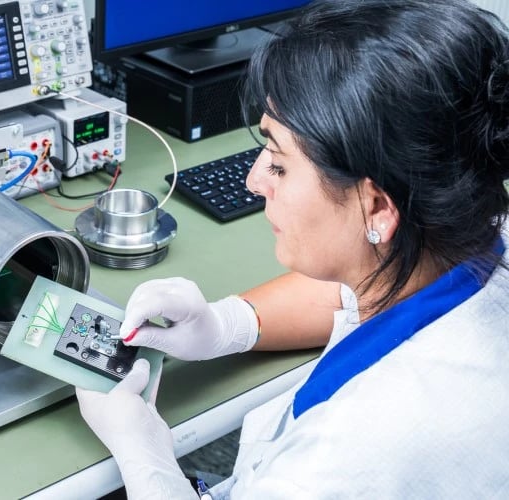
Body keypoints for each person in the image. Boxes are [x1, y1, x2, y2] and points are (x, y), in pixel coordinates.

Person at [75, 0, 509, 498]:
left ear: (377, 208)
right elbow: (349, 294)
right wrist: (223, 325)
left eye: (279, 163)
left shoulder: (341, 460)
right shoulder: (470, 231)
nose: (254, 179)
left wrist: (145, 455)